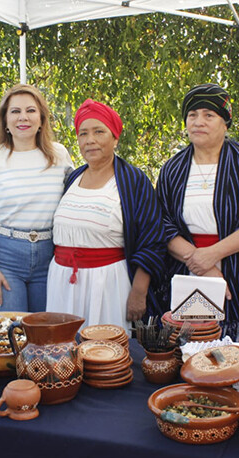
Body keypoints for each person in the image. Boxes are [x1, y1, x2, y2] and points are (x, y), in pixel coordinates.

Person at [157, 84, 239, 341]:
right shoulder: (172, 168)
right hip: (188, 267)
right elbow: (163, 223)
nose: (199, 122)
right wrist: (202, 264)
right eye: (192, 115)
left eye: (209, 115)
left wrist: (213, 255)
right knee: (193, 343)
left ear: (225, 122)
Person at [46, 99, 166, 330]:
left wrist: (139, 293)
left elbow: (153, 240)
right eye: (83, 134)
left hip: (108, 284)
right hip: (62, 283)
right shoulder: (72, 179)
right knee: (63, 354)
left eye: (99, 131)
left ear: (115, 137)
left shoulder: (133, 181)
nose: (90, 140)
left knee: (106, 355)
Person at [0, 84, 73, 312]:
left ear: (41, 118)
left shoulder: (59, 155)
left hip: (50, 259)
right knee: (10, 338)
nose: (23, 117)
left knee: (45, 339)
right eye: (15, 111)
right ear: (5, 120)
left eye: (30, 110)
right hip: (5, 259)